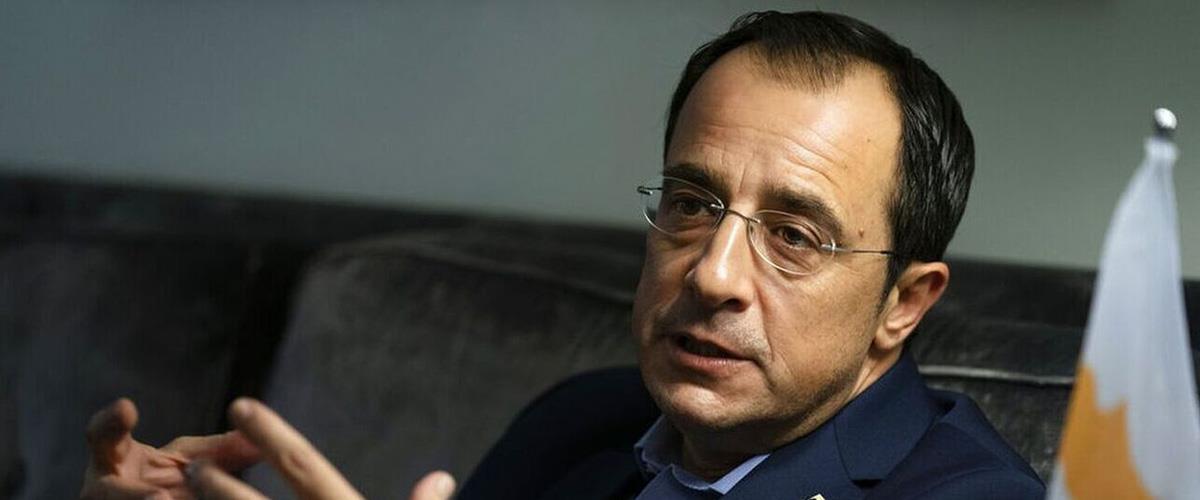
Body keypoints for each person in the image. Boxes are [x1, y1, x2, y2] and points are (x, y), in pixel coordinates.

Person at [80, 11, 1045, 499]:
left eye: (793, 236)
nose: (712, 274)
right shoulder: (583, 421)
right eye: (692, 204)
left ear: (903, 304)